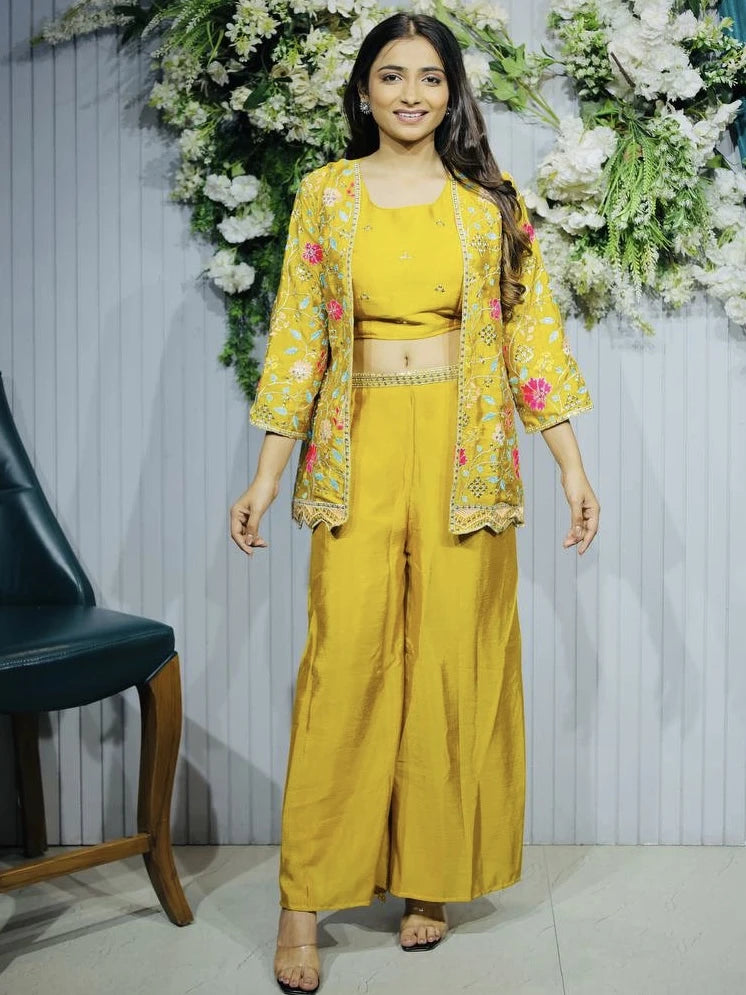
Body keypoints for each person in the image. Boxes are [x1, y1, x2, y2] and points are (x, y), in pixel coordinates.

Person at [229, 12, 599, 994]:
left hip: (463, 453)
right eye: (388, 76)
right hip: (355, 451)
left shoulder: (489, 204)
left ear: (450, 92)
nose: (407, 94)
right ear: (362, 90)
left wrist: (569, 462)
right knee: (342, 664)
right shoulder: (325, 196)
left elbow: (533, 341)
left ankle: (424, 873)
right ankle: (301, 901)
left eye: (427, 78)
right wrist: (265, 476)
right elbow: (296, 341)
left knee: (447, 664)